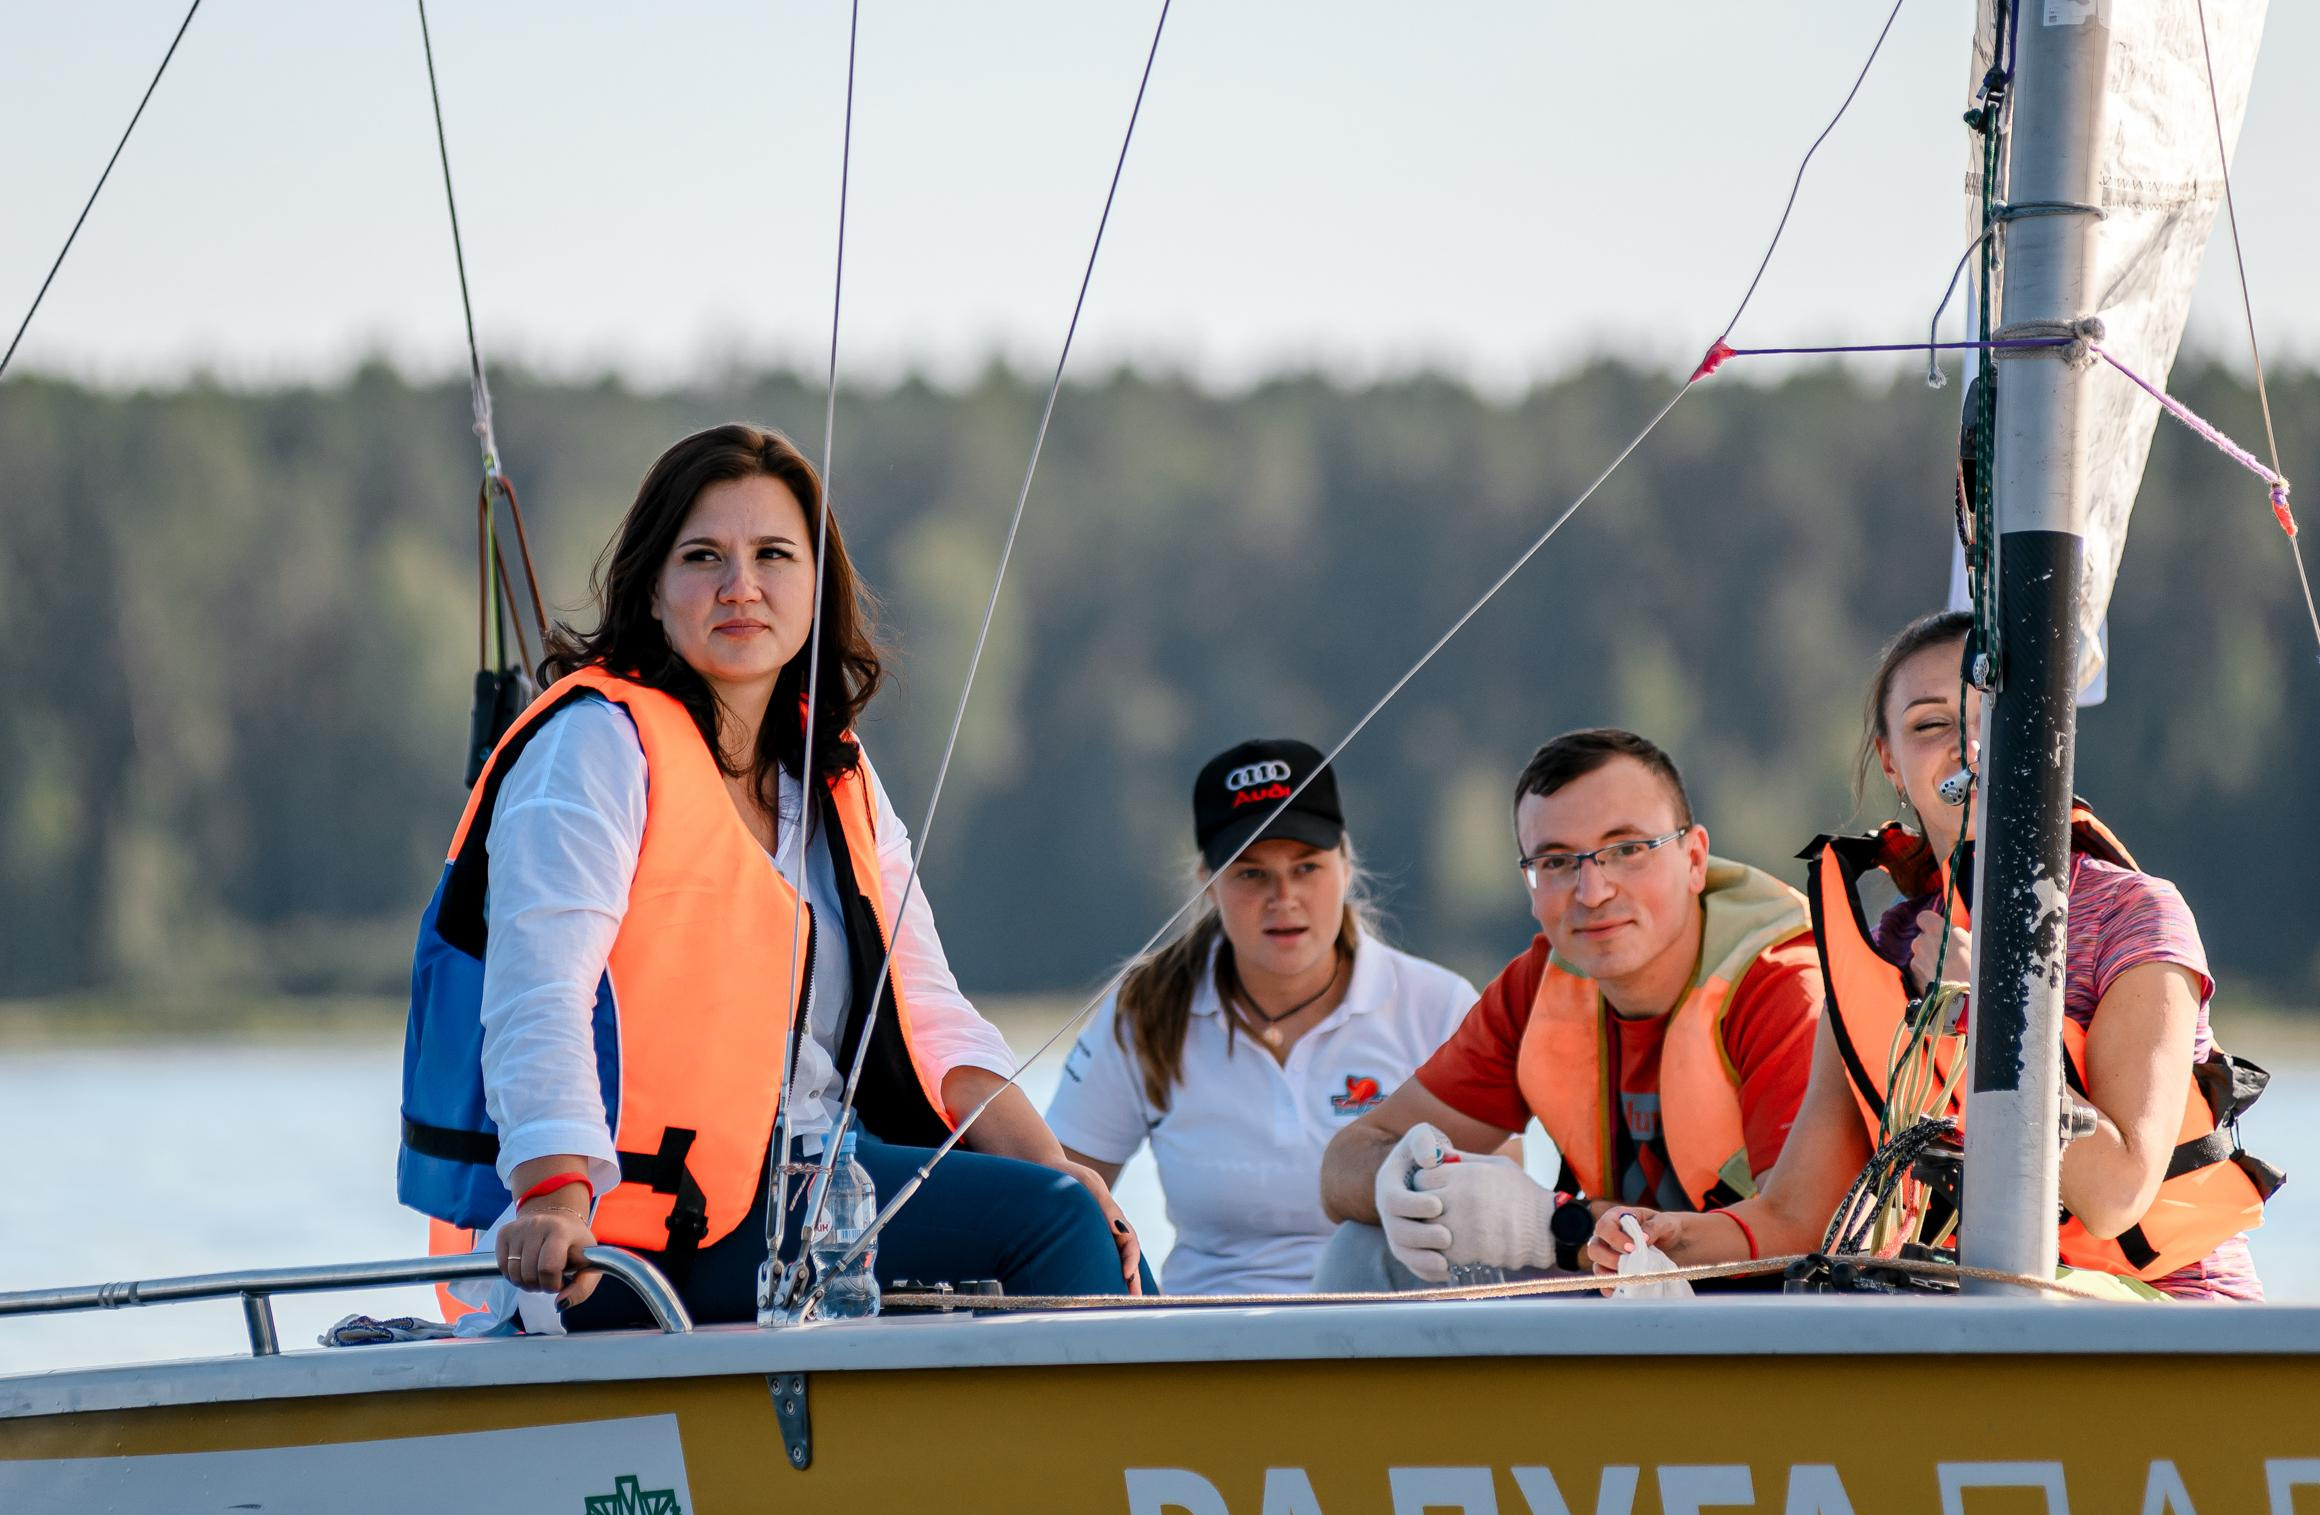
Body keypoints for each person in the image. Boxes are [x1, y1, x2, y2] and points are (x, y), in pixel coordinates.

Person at [398, 422, 1142, 1329]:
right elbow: (538, 992)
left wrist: (1059, 1169)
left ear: (815, 587)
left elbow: (931, 1013)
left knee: (1096, 1236)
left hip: (823, 1192)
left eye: (773, 555)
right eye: (704, 555)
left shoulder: (837, 777)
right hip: (630, 1244)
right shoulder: (593, 746)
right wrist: (554, 1191)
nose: (740, 585)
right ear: (654, 589)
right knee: (1051, 1230)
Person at [1590, 611, 2275, 1298]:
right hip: (1979, 1312)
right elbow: (1794, 1214)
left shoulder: (2135, 913)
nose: (1968, 743)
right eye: (1928, 725)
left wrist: (1990, 1013)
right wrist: (1668, 1237)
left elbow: (2117, 1194)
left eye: (1991, 714)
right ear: (1891, 761)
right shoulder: (1883, 953)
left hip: (2172, 1320)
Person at [1313, 728, 1823, 1289]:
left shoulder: (1785, 991)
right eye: (1556, 862)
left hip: (1768, 1313)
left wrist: (1558, 1227)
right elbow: (1345, 1162)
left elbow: (1803, 1235)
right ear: (1530, 886)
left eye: (1627, 850)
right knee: (1367, 1247)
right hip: (1614, 1300)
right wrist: (1401, 1181)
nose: (1592, 890)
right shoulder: (1536, 988)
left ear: (1694, 858)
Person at [1045, 740, 1479, 1294]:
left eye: (1306, 867)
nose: (1284, 896)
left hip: (1396, 1338)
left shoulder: (1438, 1005)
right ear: (1208, 880)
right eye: (1251, 873)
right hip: (1208, 1343)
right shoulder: (1143, 1011)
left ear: (1345, 866)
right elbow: (1058, 1196)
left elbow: (1502, 1184)